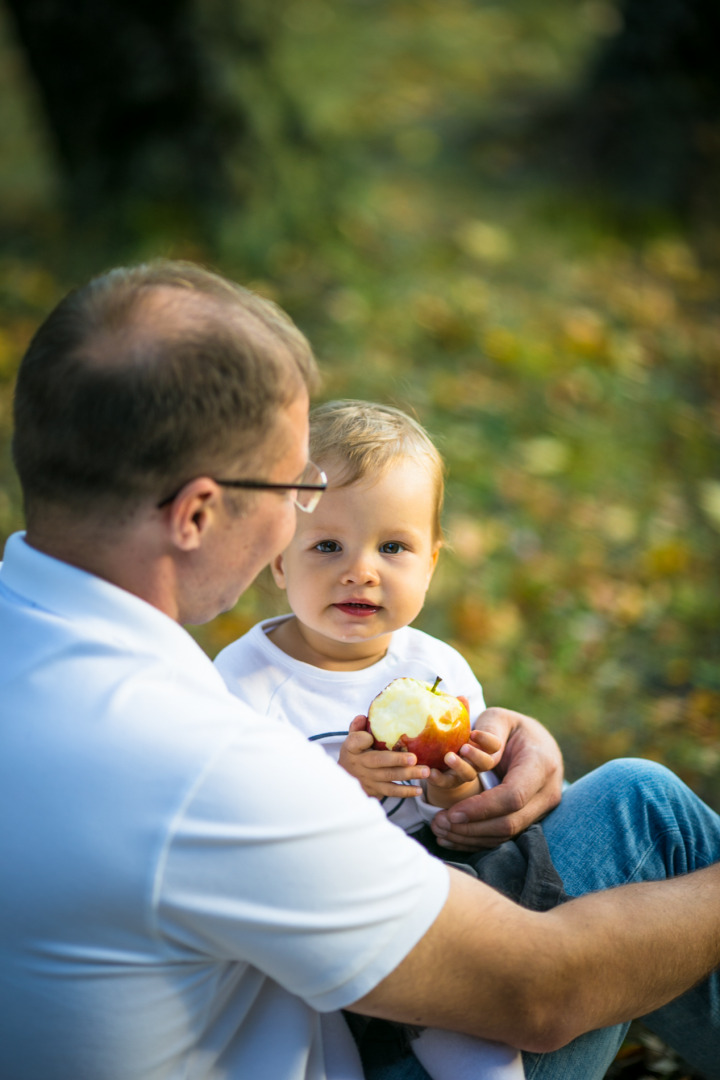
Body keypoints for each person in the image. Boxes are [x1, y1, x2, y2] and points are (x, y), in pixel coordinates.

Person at [1, 261, 720, 1080]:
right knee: (649, 825)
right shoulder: (204, 765)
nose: (295, 520)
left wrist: (493, 743)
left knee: (636, 794)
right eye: (291, 486)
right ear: (198, 513)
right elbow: (538, 991)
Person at [214, 399, 568, 1080]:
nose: (362, 571)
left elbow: (461, 821)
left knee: (479, 1035)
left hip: (431, 897)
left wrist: (457, 787)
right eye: (326, 546)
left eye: (394, 547)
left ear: (431, 563)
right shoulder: (246, 682)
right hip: (316, 917)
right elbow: (237, 827)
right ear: (278, 561)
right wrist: (338, 786)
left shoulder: (437, 674)